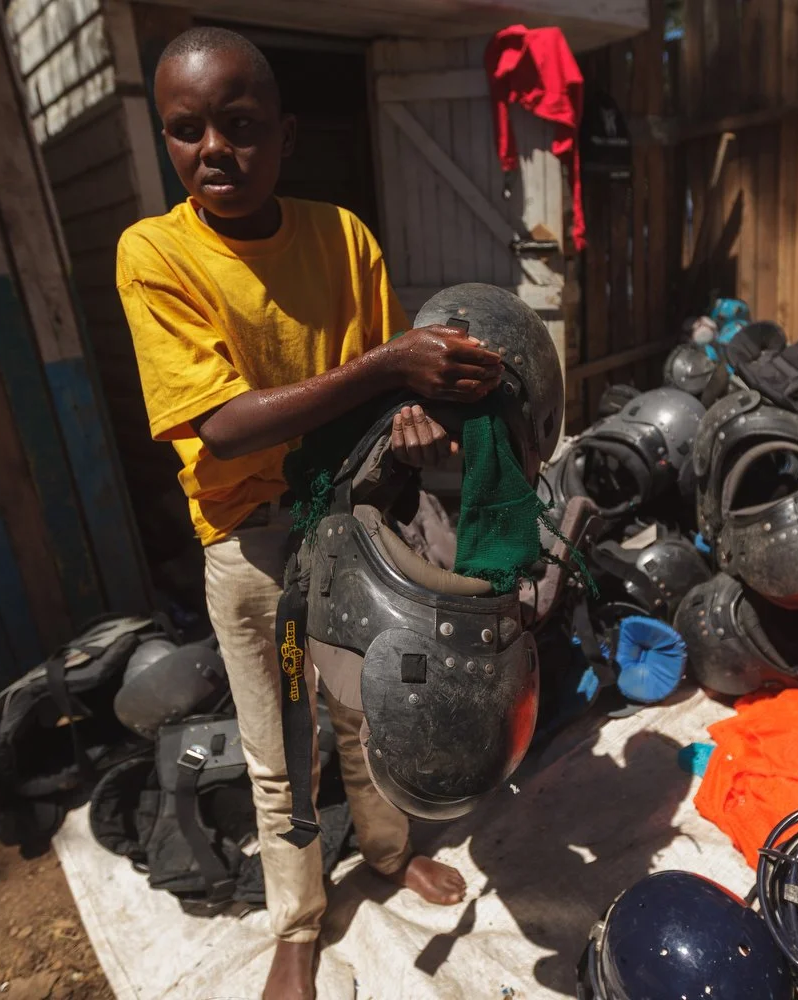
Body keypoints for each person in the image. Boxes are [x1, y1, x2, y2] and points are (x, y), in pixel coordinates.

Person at [116, 27, 498, 1000]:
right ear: (167, 140)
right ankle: (298, 922)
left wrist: (413, 413)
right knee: (278, 740)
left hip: (352, 527)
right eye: (187, 130)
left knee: (363, 711)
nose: (214, 151)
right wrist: (387, 368)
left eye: (240, 127)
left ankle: (381, 849)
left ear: (285, 136)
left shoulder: (343, 237)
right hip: (250, 544)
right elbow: (226, 426)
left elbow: (386, 399)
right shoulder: (154, 252)